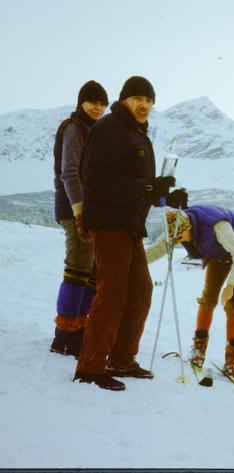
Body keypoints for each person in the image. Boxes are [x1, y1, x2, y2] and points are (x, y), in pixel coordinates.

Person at [73, 76, 188, 391]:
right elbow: (97, 181)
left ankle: (122, 358)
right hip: (110, 223)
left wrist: (166, 195)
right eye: (138, 98)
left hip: (128, 224)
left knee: (140, 290)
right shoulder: (110, 129)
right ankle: (91, 365)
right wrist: (149, 187)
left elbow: (141, 190)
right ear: (124, 100)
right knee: (112, 293)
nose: (145, 105)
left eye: (149, 100)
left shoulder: (138, 135)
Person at [145, 205, 234, 376]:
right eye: (174, 239)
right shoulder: (176, 227)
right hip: (218, 254)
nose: (178, 241)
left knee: (232, 302)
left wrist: (231, 286)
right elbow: (155, 250)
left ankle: (233, 355)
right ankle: (199, 348)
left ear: (189, 227)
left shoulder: (216, 225)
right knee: (208, 298)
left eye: (180, 237)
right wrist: (135, 261)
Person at [51, 80, 109, 357]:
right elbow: (69, 172)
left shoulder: (93, 131)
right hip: (76, 209)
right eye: (93, 102)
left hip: (91, 210)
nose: (98, 107)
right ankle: (65, 333)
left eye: (102, 103)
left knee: (92, 271)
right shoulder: (74, 128)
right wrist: (79, 211)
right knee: (77, 269)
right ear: (81, 103)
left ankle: (79, 326)